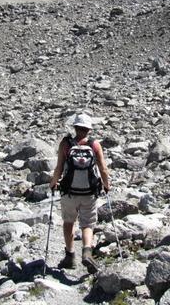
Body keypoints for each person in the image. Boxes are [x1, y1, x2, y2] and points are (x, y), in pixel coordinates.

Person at [49, 113, 110, 273]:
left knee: (69, 222)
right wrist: (106, 185)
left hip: (69, 191)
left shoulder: (66, 144)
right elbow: (103, 168)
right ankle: (87, 251)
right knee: (88, 223)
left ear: (75, 127)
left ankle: (70, 255)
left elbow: (59, 166)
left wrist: (54, 182)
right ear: (89, 129)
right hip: (89, 191)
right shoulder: (94, 145)